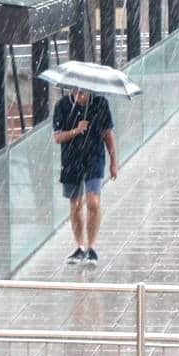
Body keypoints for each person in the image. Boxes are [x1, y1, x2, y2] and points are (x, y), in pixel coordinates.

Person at [53, 87, 117, 266]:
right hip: (71, 160)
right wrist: (76, 130)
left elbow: (108, 133)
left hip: (94, 159)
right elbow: (58, 137)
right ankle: (80, 247)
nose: (78, 96)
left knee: (93, 202)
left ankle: (92, 247)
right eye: (75, 92)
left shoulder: (100, 104)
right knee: (75, 205)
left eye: (82, 93)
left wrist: (114, 161)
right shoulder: (62, 106)